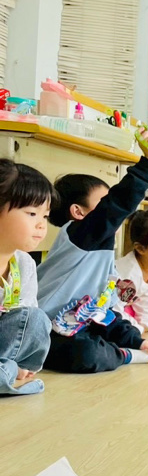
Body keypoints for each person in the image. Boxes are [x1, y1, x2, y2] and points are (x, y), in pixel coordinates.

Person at [37, 134, 148, 372]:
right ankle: (122, 355)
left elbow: (105, 310)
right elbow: (116, 205)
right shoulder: (79, 236)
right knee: (85, 353)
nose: (109, 209)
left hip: (81, 320)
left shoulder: (101, 253)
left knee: (106, 331)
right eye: (102, 201)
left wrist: (137, 341)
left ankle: (123, 350)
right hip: (47, 329)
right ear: (78, 212)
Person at [0, 160, 57, 394]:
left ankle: (9, 369)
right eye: (32, 213)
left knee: (36, 318)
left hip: (6, 350)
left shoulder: (24, 263)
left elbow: (25, 321)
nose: (41, 225)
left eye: (45, 216)